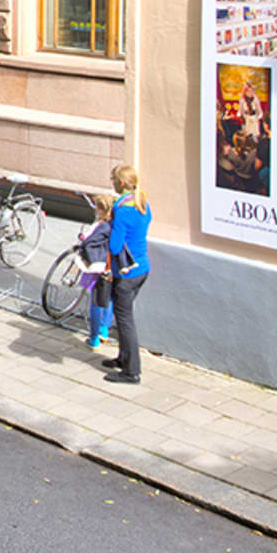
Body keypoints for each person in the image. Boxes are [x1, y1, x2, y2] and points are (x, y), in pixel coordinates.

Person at [101, 164, 151, 386]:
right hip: (142, 268)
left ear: (120, 183)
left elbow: (114, 246)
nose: (111, 182)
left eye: (113, 179)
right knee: (124, 319)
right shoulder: (142, 204)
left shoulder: (123, 210)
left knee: (125, 321)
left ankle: (132, 372)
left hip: (126, 273)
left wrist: (109, 223)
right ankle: (123, 358)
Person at [77, 195, 115, 349]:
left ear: (100, 210)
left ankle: (94, 338)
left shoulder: (99, 225)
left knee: (96, 301)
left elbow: (87, 240)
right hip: (110, 266)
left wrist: (82, 238)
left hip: (96, 267)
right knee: (109, 298)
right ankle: (104, 330)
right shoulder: (114, 225)